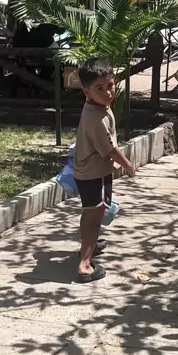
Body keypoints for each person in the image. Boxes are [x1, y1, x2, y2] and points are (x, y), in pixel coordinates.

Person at [73, 59, 136, 283]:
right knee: (94, 214)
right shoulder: (96, 118)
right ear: (86, 92)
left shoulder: (96, 106)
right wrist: (128, 165)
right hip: (92, 173)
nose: (108, 92)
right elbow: (110, 149)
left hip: (90, 171)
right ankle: (85, 265)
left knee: (92, 211)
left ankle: (89, 246)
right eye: (99, 89)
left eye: (110, 85)